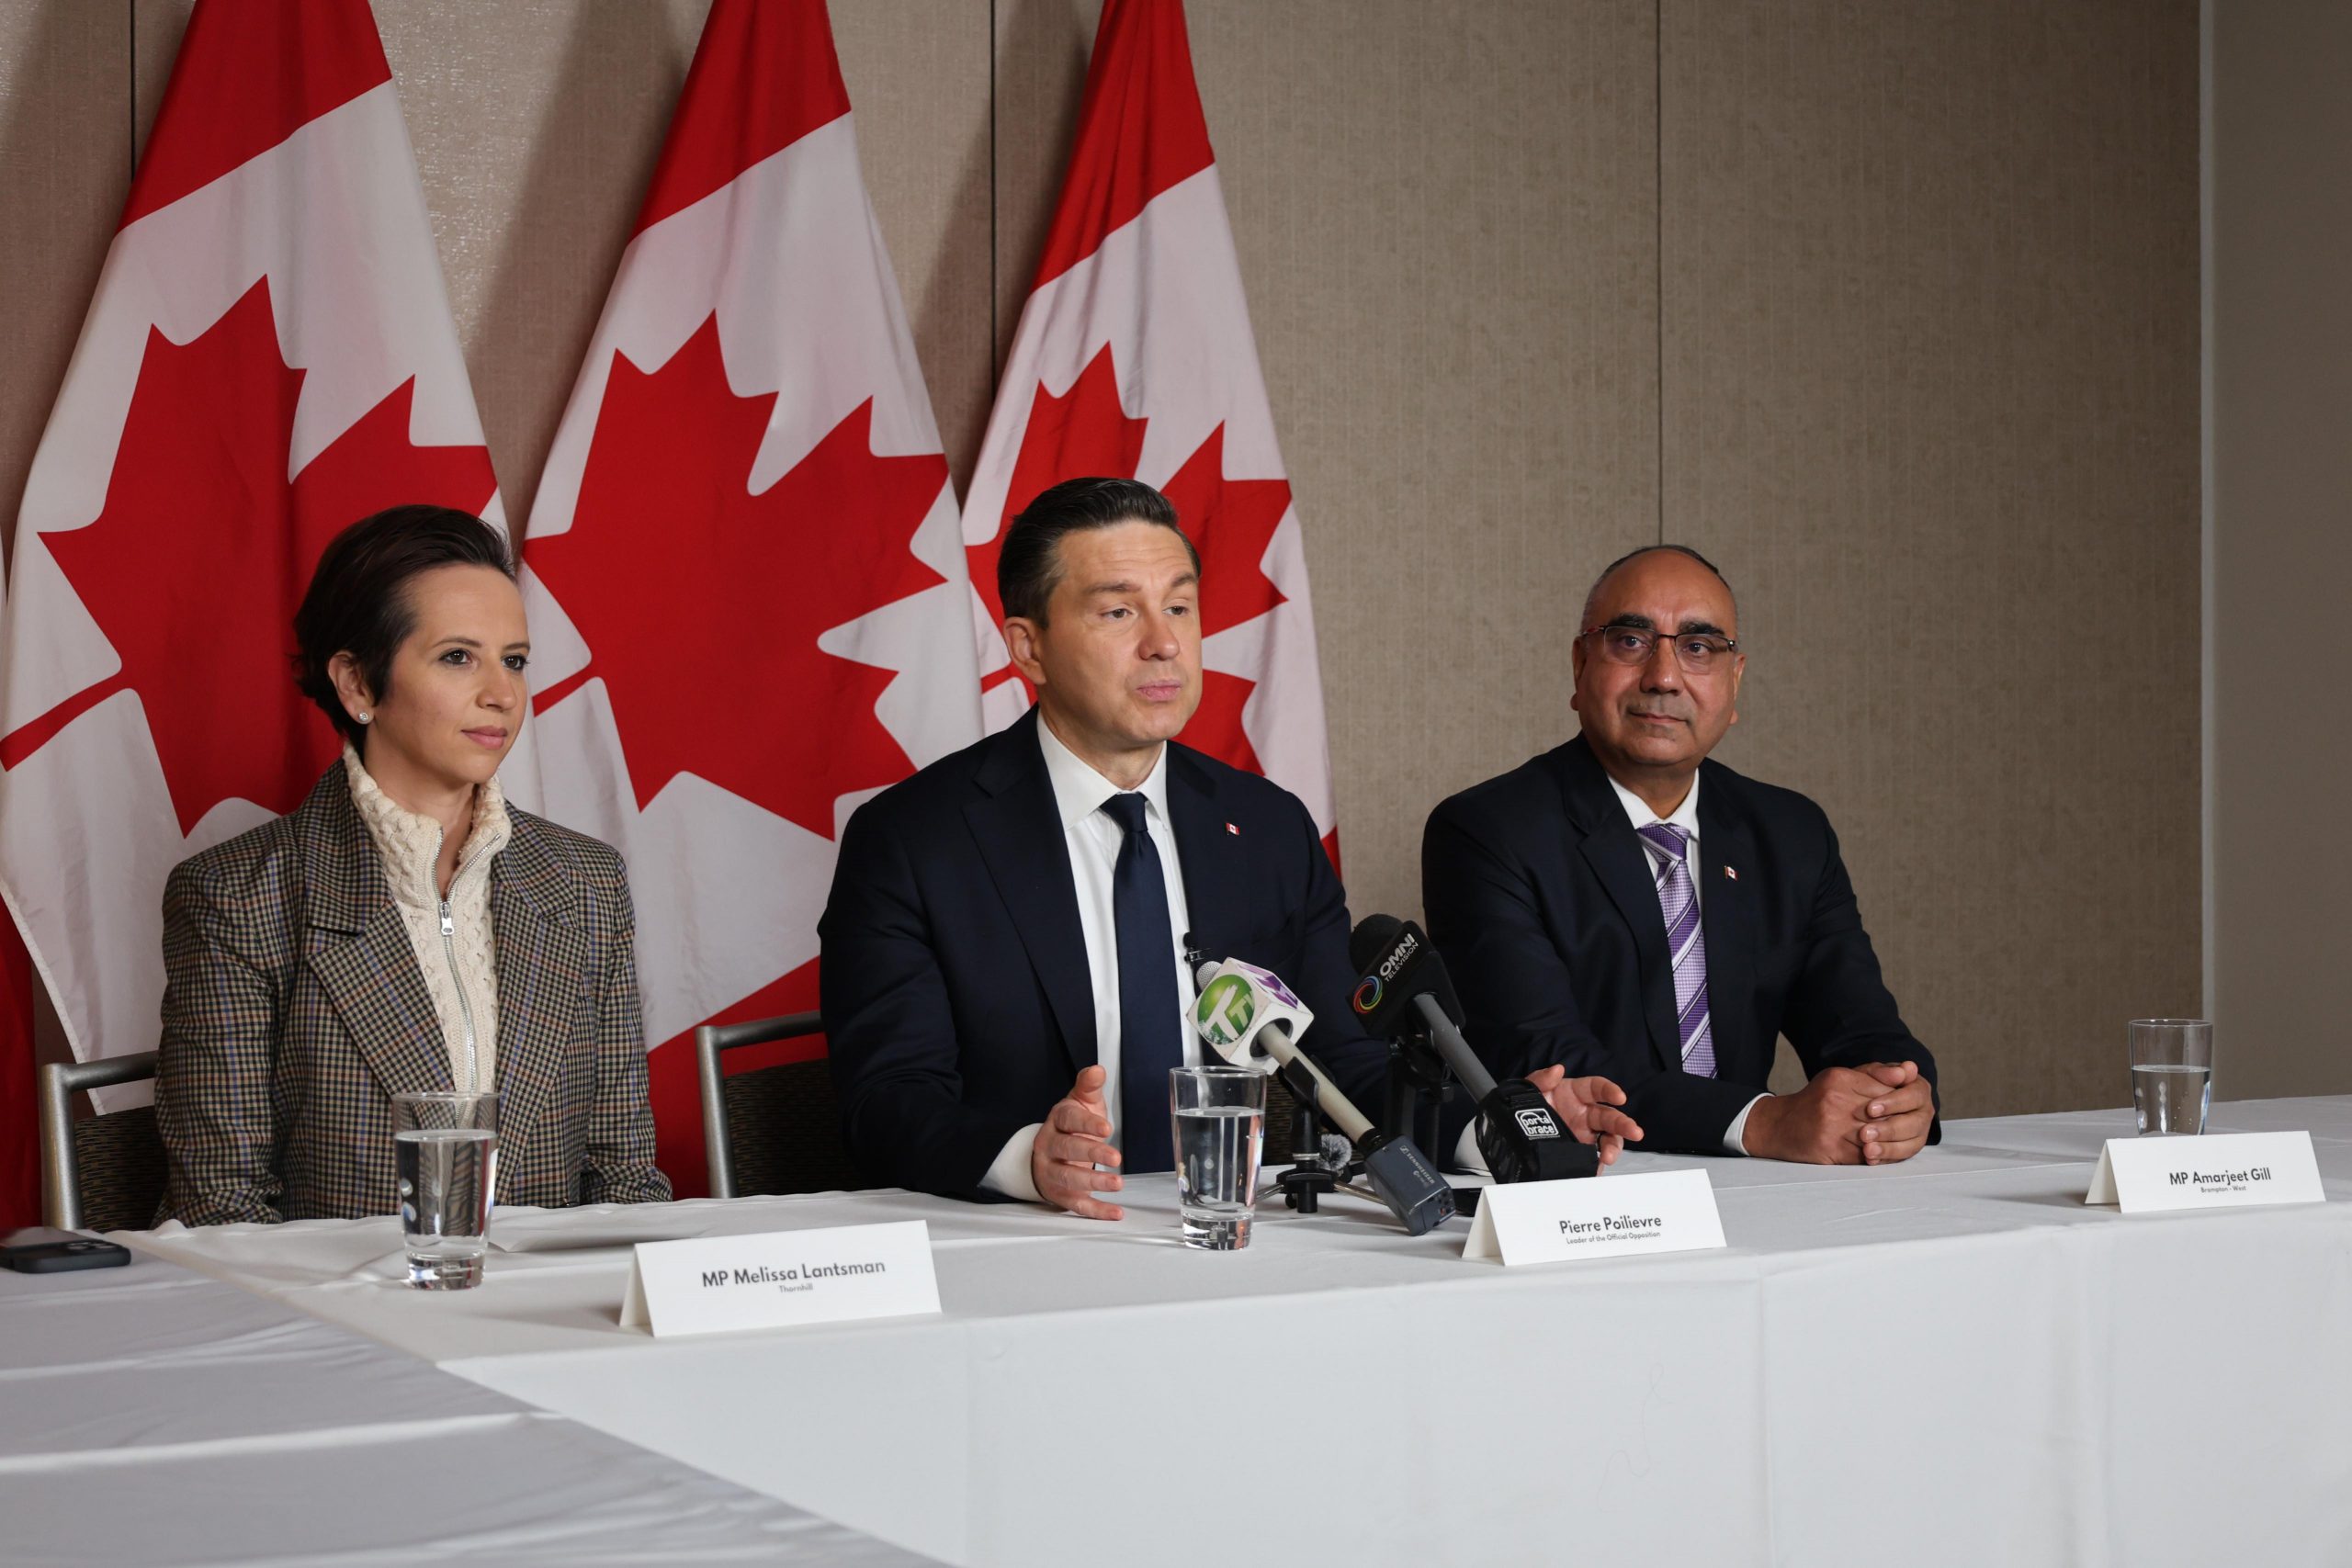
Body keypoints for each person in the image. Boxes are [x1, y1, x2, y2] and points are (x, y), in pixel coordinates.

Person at [821, 478, 1637, 1215]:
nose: (1164, 643)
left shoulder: (1266, 829)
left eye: (1180, 607)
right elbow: (888, 1098)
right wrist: (1030, 1160)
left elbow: (1342, 1062)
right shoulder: (915, 841)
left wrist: (1498, 1131)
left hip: (1232, 1235)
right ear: (1028, 647)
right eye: (1118, 612)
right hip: (1024, 1243)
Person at [153, 505, 669, 1225]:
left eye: (514, 659)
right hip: (338, 1295)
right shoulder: (237, 896)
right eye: (458, 656)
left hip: (550, 1293)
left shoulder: (587, 881)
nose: (502, 693)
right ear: (357, 684)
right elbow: (222, 1209)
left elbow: (625, 1181)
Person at [1422, 544, 1939, 1164]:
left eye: (1698, 647)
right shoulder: (1488, 830)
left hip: (1761, 1189)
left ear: (1734, 680)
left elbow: (1863, 1028)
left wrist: (1895, 1100)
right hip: (1594, 1186)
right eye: (1630, 641)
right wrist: (1762, 1122)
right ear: (1580, 664)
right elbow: (1551, 1065)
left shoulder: (1791, 833)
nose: (1664, 677)